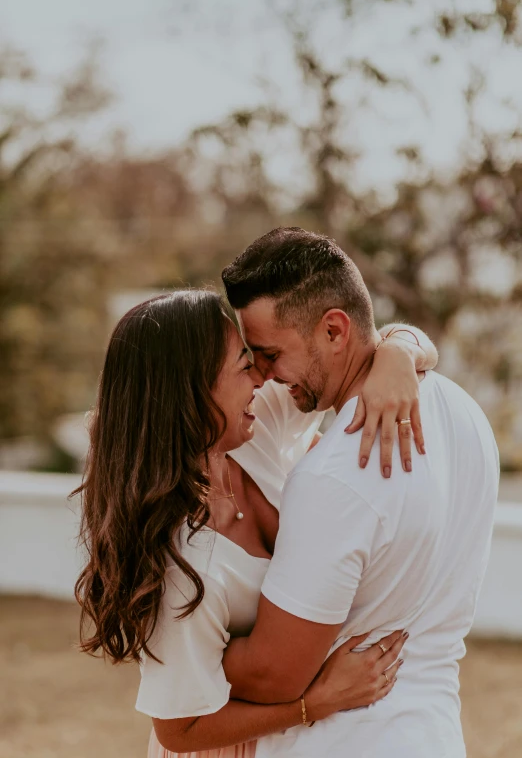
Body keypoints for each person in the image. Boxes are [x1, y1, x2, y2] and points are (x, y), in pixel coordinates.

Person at [74, 287, 437, 757]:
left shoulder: (254, 425)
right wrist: (314, 704)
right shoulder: (181, 565)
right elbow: (178, 729)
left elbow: (354, 346)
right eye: (245, 366)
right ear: (193, 392)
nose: (263, 378)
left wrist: (397, 354)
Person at [218, 226, 500, 758]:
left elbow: (274, 676)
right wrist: (400, 344)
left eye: (271, 353)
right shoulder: (462, 409)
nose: (265, 376)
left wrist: (170, 646)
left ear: (334, 330)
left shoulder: (333, 475)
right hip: (434, 735)